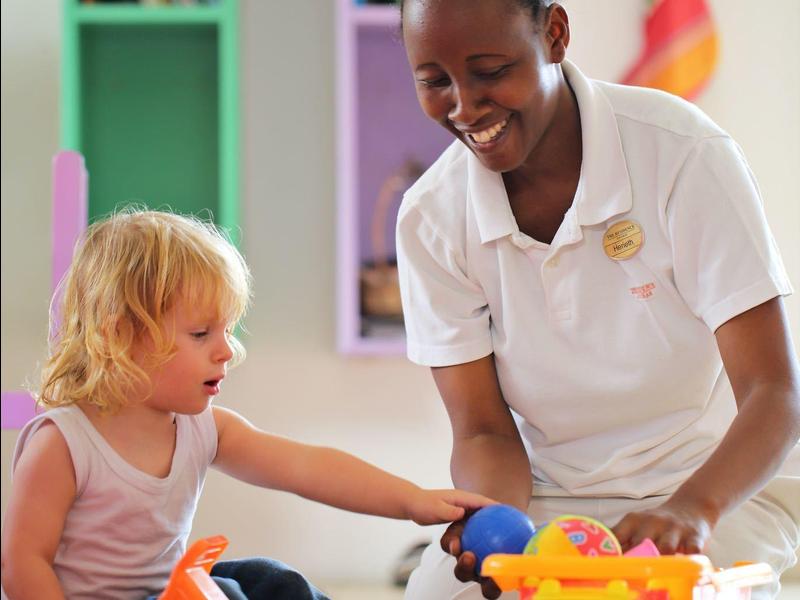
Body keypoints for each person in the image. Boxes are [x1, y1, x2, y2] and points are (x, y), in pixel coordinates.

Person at [396, 1, 800, 599]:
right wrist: (494, 525)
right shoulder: (431, 217)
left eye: (489, 70)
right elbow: (483, 431)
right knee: (440, 594)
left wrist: (692, 510)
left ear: (555, 34)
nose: (463, 105)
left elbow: (775, 393)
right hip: (550, 501)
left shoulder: (683, 153)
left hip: (717, 490)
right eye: (435, 81)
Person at [0, 209, 496, 600]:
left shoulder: (204, 429)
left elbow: (307, 468)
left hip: (171, 592)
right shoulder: (63, 444)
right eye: (200, 334)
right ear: (120, 337)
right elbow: (23, 564)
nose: (226, 350)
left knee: (270, 581)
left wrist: (412, 500)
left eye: (227, 330)